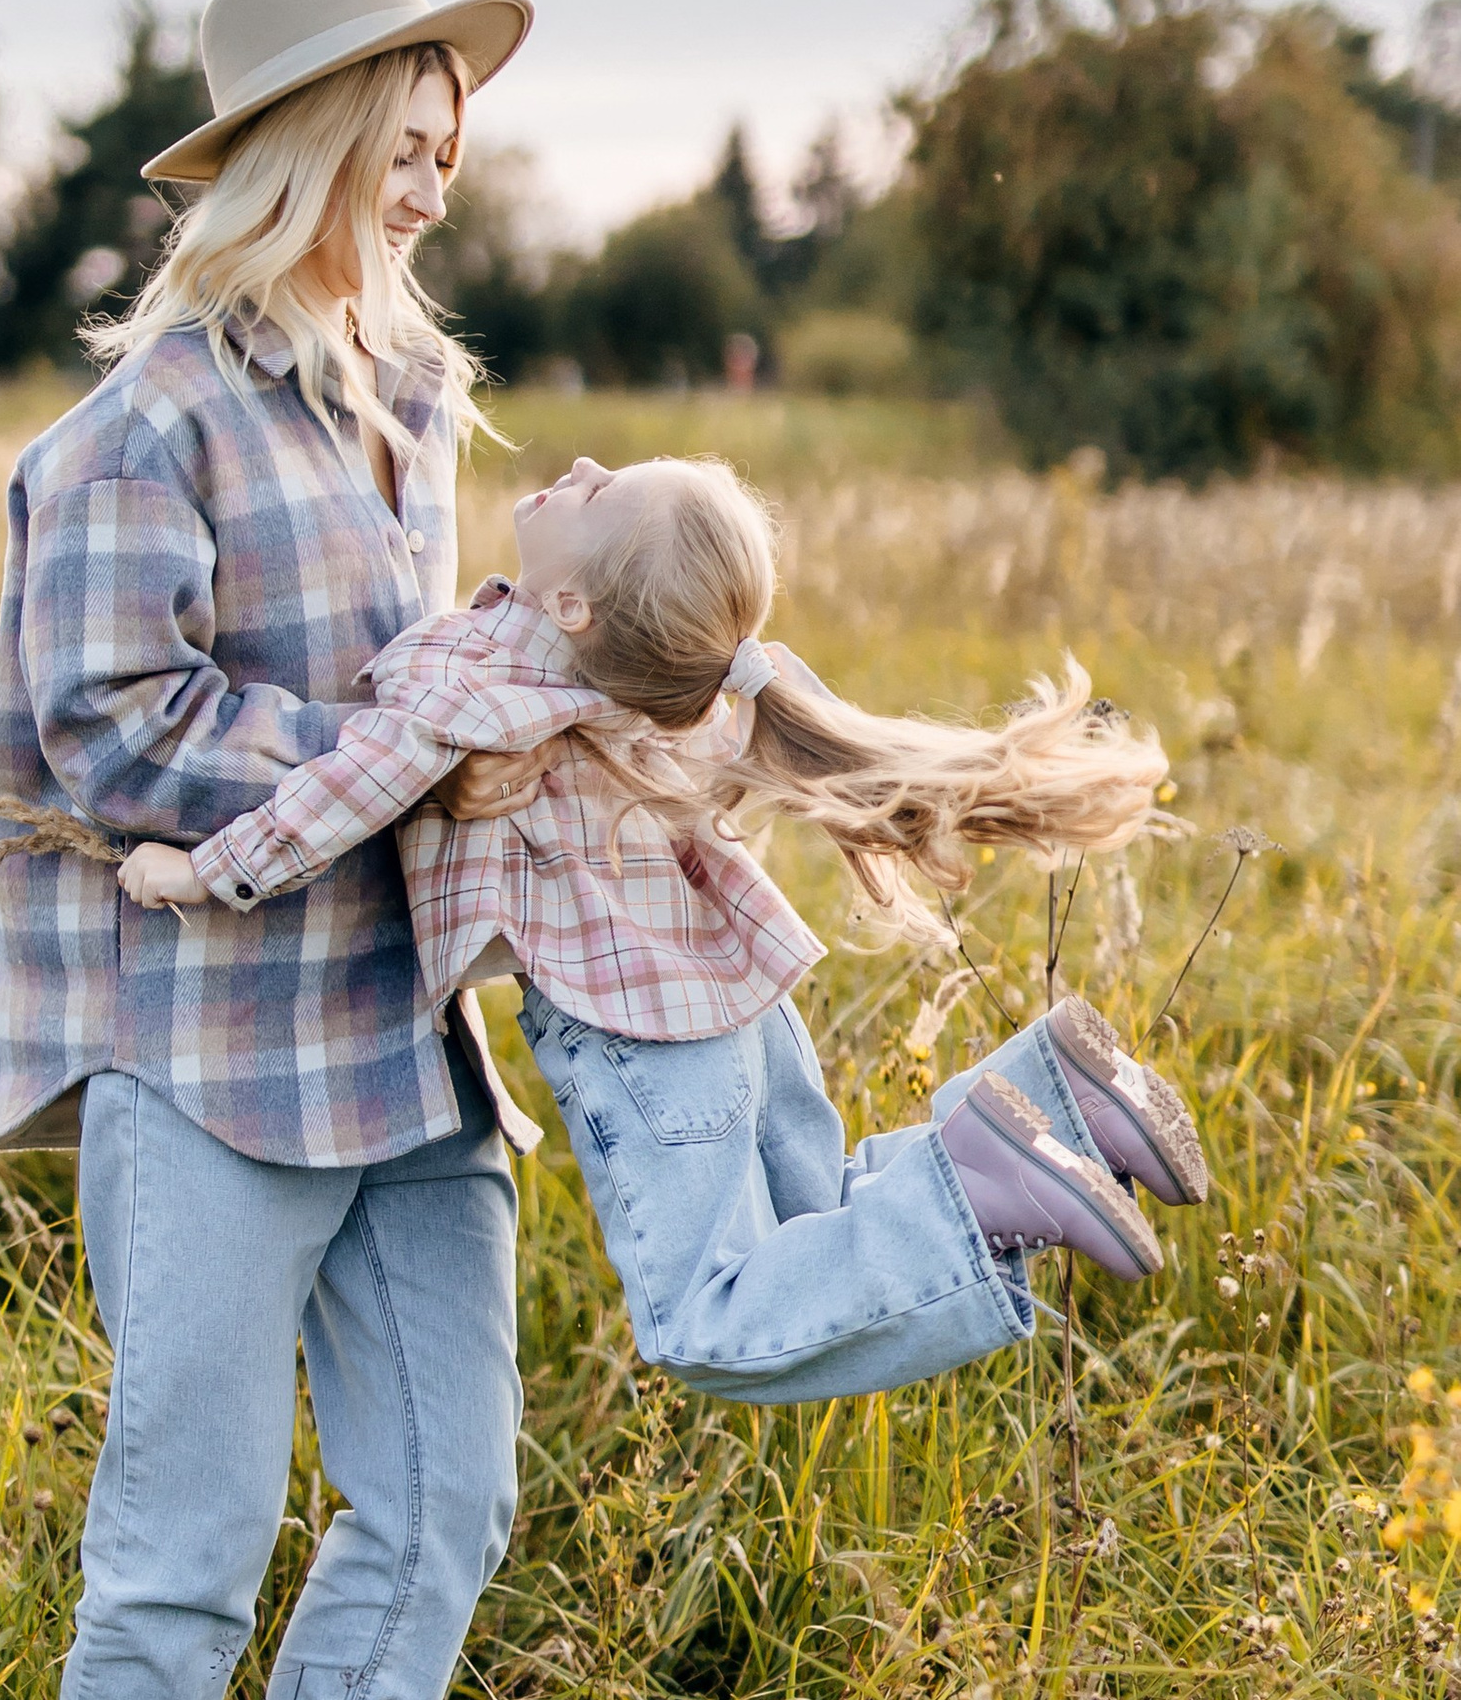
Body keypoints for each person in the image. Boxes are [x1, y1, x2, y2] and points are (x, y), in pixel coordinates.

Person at [0, 0, 539, 1700]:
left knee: (441, 1499)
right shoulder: (139, 427)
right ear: (301, 146)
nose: (435, 174)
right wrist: (391, 751)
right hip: (207, 1047)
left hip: (407, 1038)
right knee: (183, 1525)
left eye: (448, 144)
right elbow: (107, 728)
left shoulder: (416, 408)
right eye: (404, 137)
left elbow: (437, 698)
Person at [121, 450, 1206, 1412]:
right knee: (813, 1221)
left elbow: (340, 792)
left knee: (707, 1323)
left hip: (636, 1030)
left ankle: (975, 1186)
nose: (581, 464)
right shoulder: (668, 676)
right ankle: (1058, 1098)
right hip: (734, 993)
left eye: (599, 493)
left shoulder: (480, 683)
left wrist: (205, 871)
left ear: (571, 602)